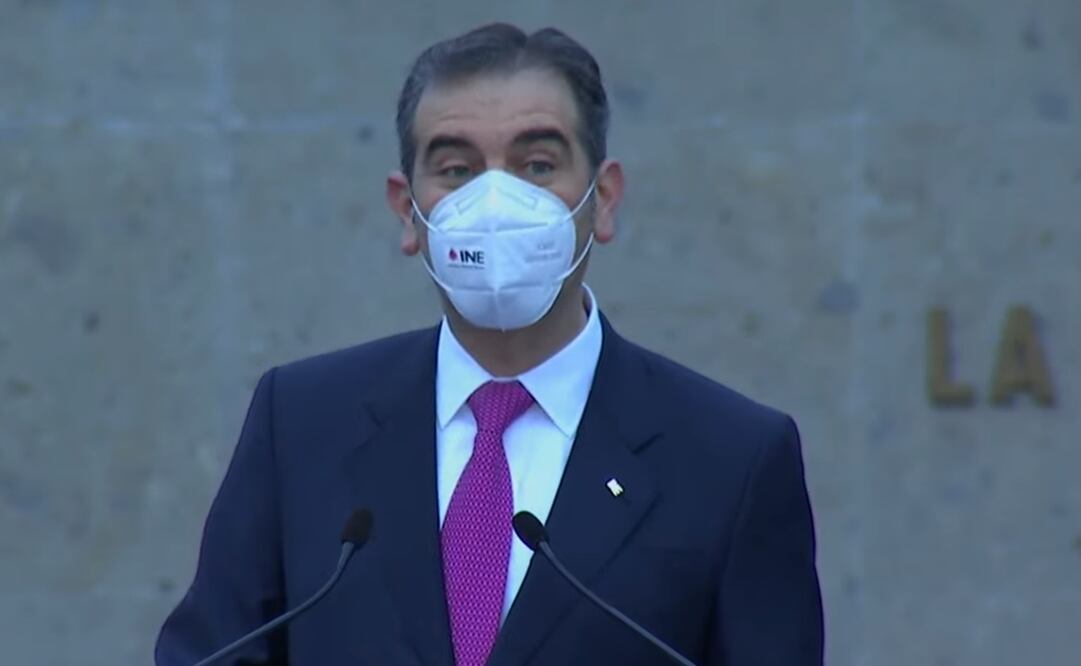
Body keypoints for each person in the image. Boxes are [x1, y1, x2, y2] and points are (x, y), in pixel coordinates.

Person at [156, 23, 824, 666]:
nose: (495, 201)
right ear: (407, 210)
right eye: (456, 169)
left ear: (603, 199)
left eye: (537, 165)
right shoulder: (302, 424)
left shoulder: (732, 458)